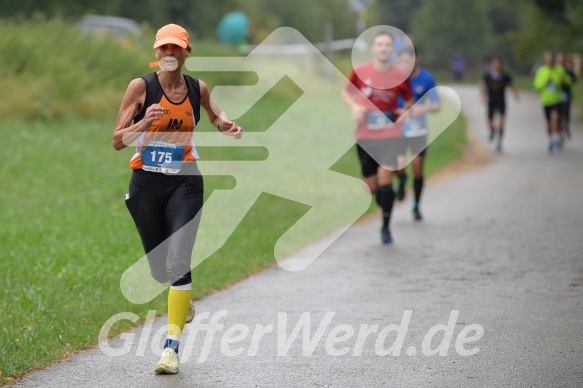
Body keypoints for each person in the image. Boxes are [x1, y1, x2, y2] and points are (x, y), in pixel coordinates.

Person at [112, 23, 242, 374]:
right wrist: (143, 123)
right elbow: (117, 140)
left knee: (178, 263)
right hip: (146, 185)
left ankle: (171, 349)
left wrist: (226, 125)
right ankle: (180, 302)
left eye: (176, 48)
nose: (169, 54)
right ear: (156, 53)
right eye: (163, 49)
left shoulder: (197, 88)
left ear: (187, 52)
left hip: (185, 183)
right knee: (160, 271)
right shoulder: (141, 87)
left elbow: (217, 114)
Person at [341, 30, 413, 244]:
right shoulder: (361, 71)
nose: (383, 48)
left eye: (387, 45)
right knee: (372, 187)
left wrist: (405, 112)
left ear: (392, 50)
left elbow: (408, 101)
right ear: (373, 48)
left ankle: (385, 228)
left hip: (390, 135)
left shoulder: (400, 75)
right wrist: (354, 107)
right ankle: (390, 195)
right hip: (365, 136)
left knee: (385, 176)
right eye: (379, 44)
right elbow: (346, 92)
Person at [394, 46, 440, 221]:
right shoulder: (394, 78)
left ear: (417, 58)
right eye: (403, 60)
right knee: (397, 167)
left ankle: (416, 206)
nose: (406, 64)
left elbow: (437, 105)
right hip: (398, 129)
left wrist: (423, 108)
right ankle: (402, 178)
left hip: (419, 131)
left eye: (409, 59)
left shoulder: (426, 78)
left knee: (418, 169)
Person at [479, 55, 520, 152]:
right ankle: (492, 131)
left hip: (501, 101)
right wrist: (482, 95)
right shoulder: (488, 75)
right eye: (495, 63)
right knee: (490, 121)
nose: (497, 65)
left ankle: (499, 143)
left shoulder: (505, 76)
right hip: (491, 101)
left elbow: (512, 85)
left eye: (498, 63)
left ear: (501, 64)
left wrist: (515, 95)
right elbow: (483, 85)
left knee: (502, 122)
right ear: (492, 64)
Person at [533, 52, 571, 153]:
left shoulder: (559, 70)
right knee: (549, 123)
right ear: (545, 61)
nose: (550, 62)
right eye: (548, 60)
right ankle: (551, 139)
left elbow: (569, 81)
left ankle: (556, 139)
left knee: (555, 118)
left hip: (557, 100)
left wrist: (565, 80)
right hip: (546, 101)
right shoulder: (542, 71)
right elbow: (537, 86)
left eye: (551, 60)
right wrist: (545, 81)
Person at [555, 52, 576, 140]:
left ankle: (566, 127)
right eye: (558, 58)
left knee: (566, 114)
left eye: (561, 58)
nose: (560, 60)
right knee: (558, 115)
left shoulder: (568, 69)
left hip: (566, 94)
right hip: (555, 95)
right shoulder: (553, 69)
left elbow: (573, 81)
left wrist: (566, 81)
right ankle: (559, 132)